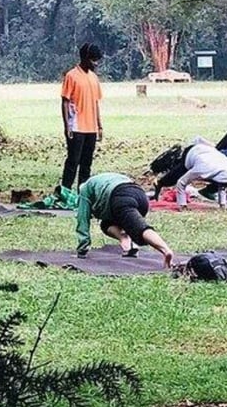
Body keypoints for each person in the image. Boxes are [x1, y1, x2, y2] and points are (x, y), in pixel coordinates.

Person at [75, 172, 174, 267]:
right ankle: (128, 242)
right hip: (141, 196)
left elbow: (83, 218)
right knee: (106, 224)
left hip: (121, 197)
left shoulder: (84, 190)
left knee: (140, 229)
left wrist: (82, 248)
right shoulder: (103, 179)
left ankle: (166, 250)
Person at [60, 43, 105, 192]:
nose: (96, 63)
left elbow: (96, 103)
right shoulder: (71, 76)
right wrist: (67, 125)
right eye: (93, 60)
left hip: (91, 127)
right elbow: (65, 101)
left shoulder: (94, 78)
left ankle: (82, 193)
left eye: (97, 60)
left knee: (87, 163)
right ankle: (65, 192)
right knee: (73, 161)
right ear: (85, 58)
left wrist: (99, 125)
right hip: (76, 126)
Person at [171, 137, 227, 206]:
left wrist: (222, 204)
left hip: (208, 154)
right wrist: (182, 204)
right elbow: (181, 182)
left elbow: (223, 184)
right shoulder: (202, 169)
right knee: (172, 177)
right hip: (191, 152)